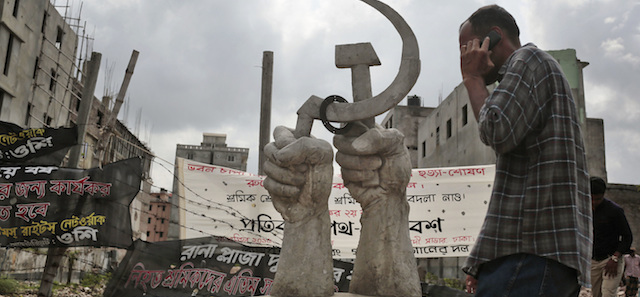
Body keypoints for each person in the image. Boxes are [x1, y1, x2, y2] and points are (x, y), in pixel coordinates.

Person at [458, 5, 592, 296]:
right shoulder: (536, 68)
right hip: (538, 253)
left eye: (467, 48)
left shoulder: (527, 60)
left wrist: (473, 79)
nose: (465, 58)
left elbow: (496, 130)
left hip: (530, 252)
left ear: (493, 37)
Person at [590, 176, 633, 297]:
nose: (594, 203)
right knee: (596, 294)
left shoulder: (615, 211)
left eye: (597, 199)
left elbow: (627, 237)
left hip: (612, 259)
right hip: (593, 260)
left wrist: (615, 258)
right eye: (591, 199)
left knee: (608, 294)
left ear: (603, 195)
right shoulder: (584, 209)